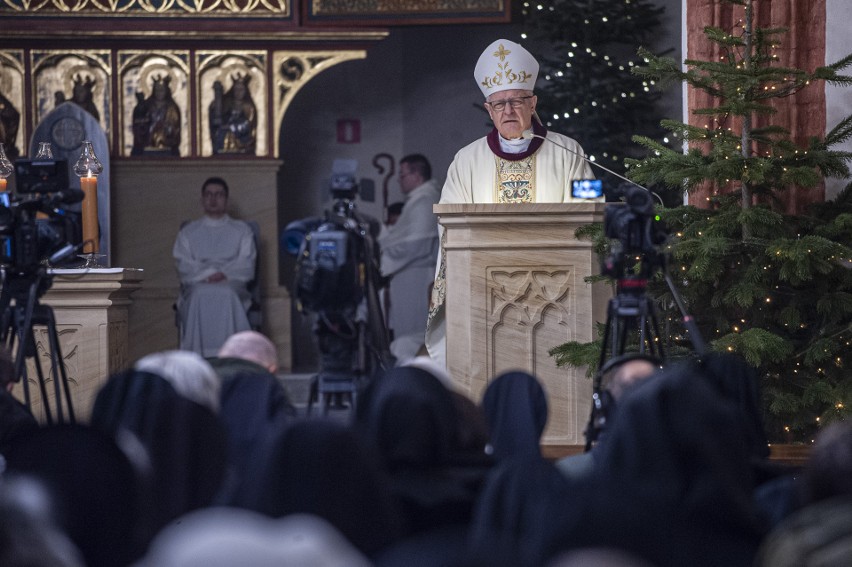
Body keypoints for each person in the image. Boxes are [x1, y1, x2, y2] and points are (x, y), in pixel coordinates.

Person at [425, 38, 598, 368]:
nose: (508, 111)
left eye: (516, 101)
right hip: (485, 291)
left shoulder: (570, 151)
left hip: (558, 289)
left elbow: (592, 209)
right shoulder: (466, 160)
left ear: (533, 103)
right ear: (488, 110)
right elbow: (448, 228)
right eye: (498, 104)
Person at [173, 177, 257, 357]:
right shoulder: (188, 232)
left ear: (226, 200)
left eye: (218, 195)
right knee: (199, 294)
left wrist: (223, 274)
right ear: (202, 199)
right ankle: (197, 355)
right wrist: (210, 274)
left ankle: (232, 354)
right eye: (209, 195)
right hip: (197, 284)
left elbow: (246, 263)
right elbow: (184, 264)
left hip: (232, 283)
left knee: (226, 293)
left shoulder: (242, 230)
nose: (213, 199)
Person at [377, 154, 441, 362]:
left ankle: (414, 370)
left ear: (416, 175)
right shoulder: (418, 200)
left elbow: (416, 244)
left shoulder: (425, 200)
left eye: (403, 174)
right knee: (406, 330)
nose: (399, 179)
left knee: (414, 330)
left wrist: (383, 259)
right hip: (407, 275)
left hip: (418, 276)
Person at [209, 74, 257, 155]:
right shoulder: (228, 103)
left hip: (240, 133)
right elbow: (221, 117)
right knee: (220, 133)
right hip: (225, 130)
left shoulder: (248, 106)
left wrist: (232, 127)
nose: (238, 92)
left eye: (241, 90)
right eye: (236, 89)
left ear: (245, 91)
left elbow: (248, 123)